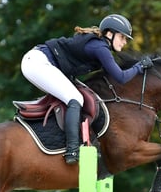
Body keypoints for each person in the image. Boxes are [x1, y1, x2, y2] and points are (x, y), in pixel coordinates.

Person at [21, 14, 151, 164]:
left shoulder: (99, 45)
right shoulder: (100, 48)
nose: (124, 42)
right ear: (110, 33)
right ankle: (72, 150)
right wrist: (140, 67)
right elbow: (120, 77)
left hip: (40, 62)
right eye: (122, 37)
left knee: (77, 96)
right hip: (38, 62)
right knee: (75, 98)